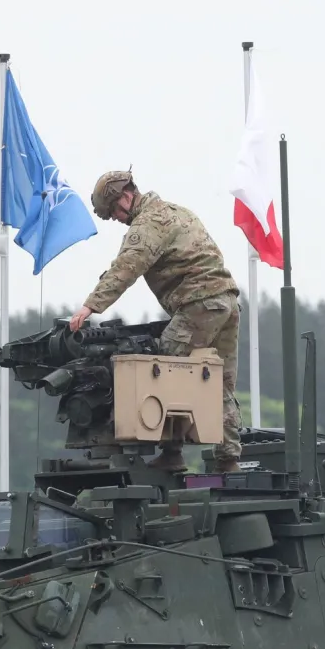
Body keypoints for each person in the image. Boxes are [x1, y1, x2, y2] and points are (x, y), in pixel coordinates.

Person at [68, 170, 243, 473]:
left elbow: (126, 267)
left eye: (115, 211)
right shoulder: (177, 212)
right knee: (219, 382)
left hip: (198, 305)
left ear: (125, 195)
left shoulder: (148, 223)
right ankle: (228, 460)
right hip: (225, 302)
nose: (119, 218)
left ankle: (172, 454)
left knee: (163, 372)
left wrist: (90, 307)